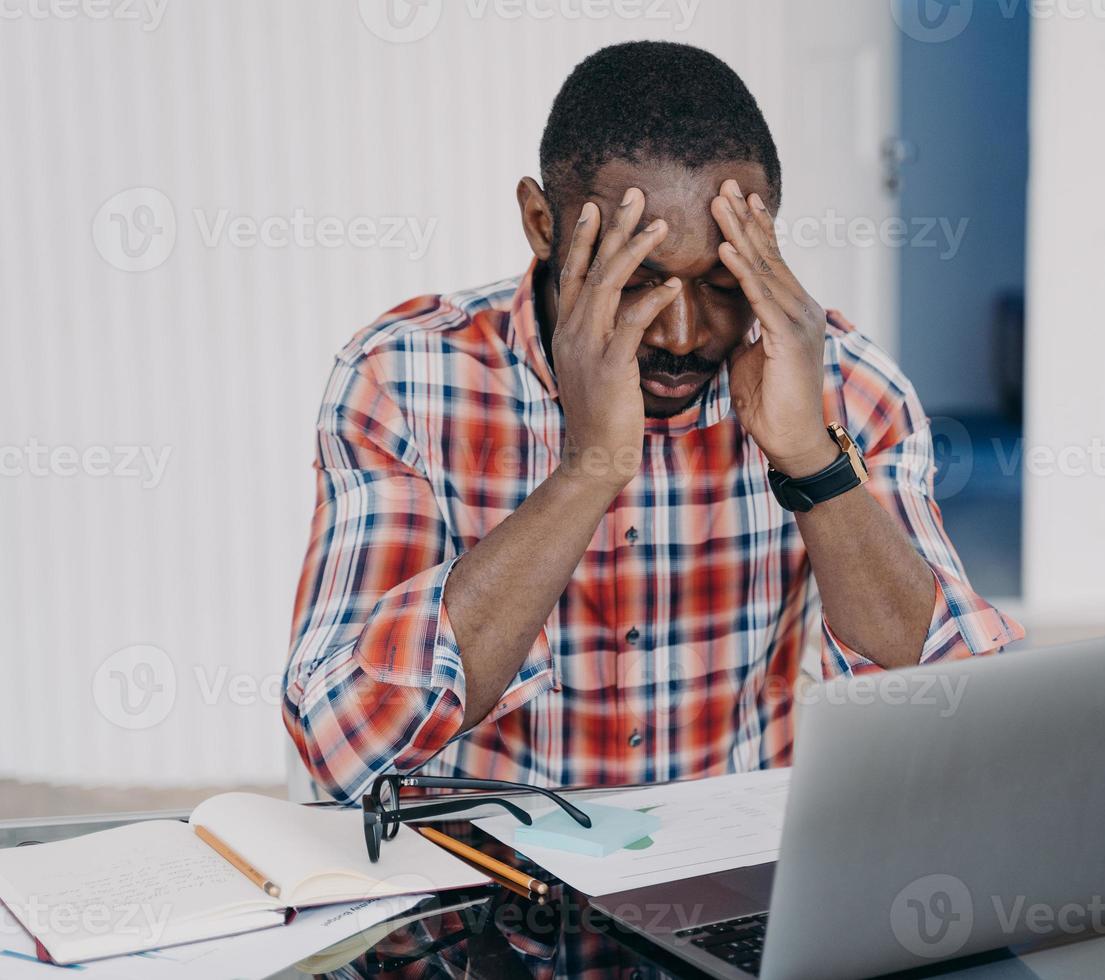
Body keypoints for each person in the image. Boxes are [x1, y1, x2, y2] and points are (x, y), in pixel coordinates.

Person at [283, 40, 1021, 801]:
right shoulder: (405, 379)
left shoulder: (850, 386)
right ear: (543, 223)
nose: (680, 336)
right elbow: (341, 744)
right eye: (640, 281)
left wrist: (812, 460)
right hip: (485, 886)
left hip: (733, 877)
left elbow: (962, 717)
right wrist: (589, 468)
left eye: (724, 282)